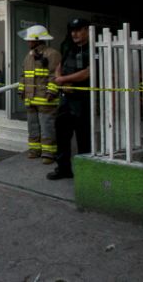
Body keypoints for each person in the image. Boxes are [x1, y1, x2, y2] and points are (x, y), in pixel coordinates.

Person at [48, 18, 92, 180]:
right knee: (62, 135)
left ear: (87, 30)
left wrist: (63, 80)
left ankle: (85, 173)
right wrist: (60, 78)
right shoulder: (69, 48)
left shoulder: (93, 48)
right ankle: (63, 169)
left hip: (83, 100)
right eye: (72, 30)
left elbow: (88, 72)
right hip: (66, 100)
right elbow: (59, 66)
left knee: (84, 138)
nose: (74, 33)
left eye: (79, 30)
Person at [18, 25, 62, 164]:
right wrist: (21, 89)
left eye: (30, 40)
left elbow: (55, 75)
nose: (28, 42)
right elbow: (23, 75)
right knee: (33, 127)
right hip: (30, 99)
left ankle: (49, 153)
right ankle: (34, 150)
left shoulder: (52, 54)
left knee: (47, 127)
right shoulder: (29, 56)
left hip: (45, 99)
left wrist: (51, 92)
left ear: (38, 40)